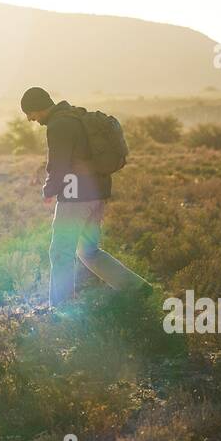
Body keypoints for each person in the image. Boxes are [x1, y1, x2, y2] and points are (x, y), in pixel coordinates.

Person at [20, 87, 149, 306]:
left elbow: (58, 164)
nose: (30, 119)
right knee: (89, 251)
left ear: (38, 108)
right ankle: (136, 288)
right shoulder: (75, 116)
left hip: (75, 197)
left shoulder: (58, 125)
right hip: (97, 194)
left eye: (30, 113)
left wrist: (49, 190)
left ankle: (60, 309)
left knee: (61, 252)